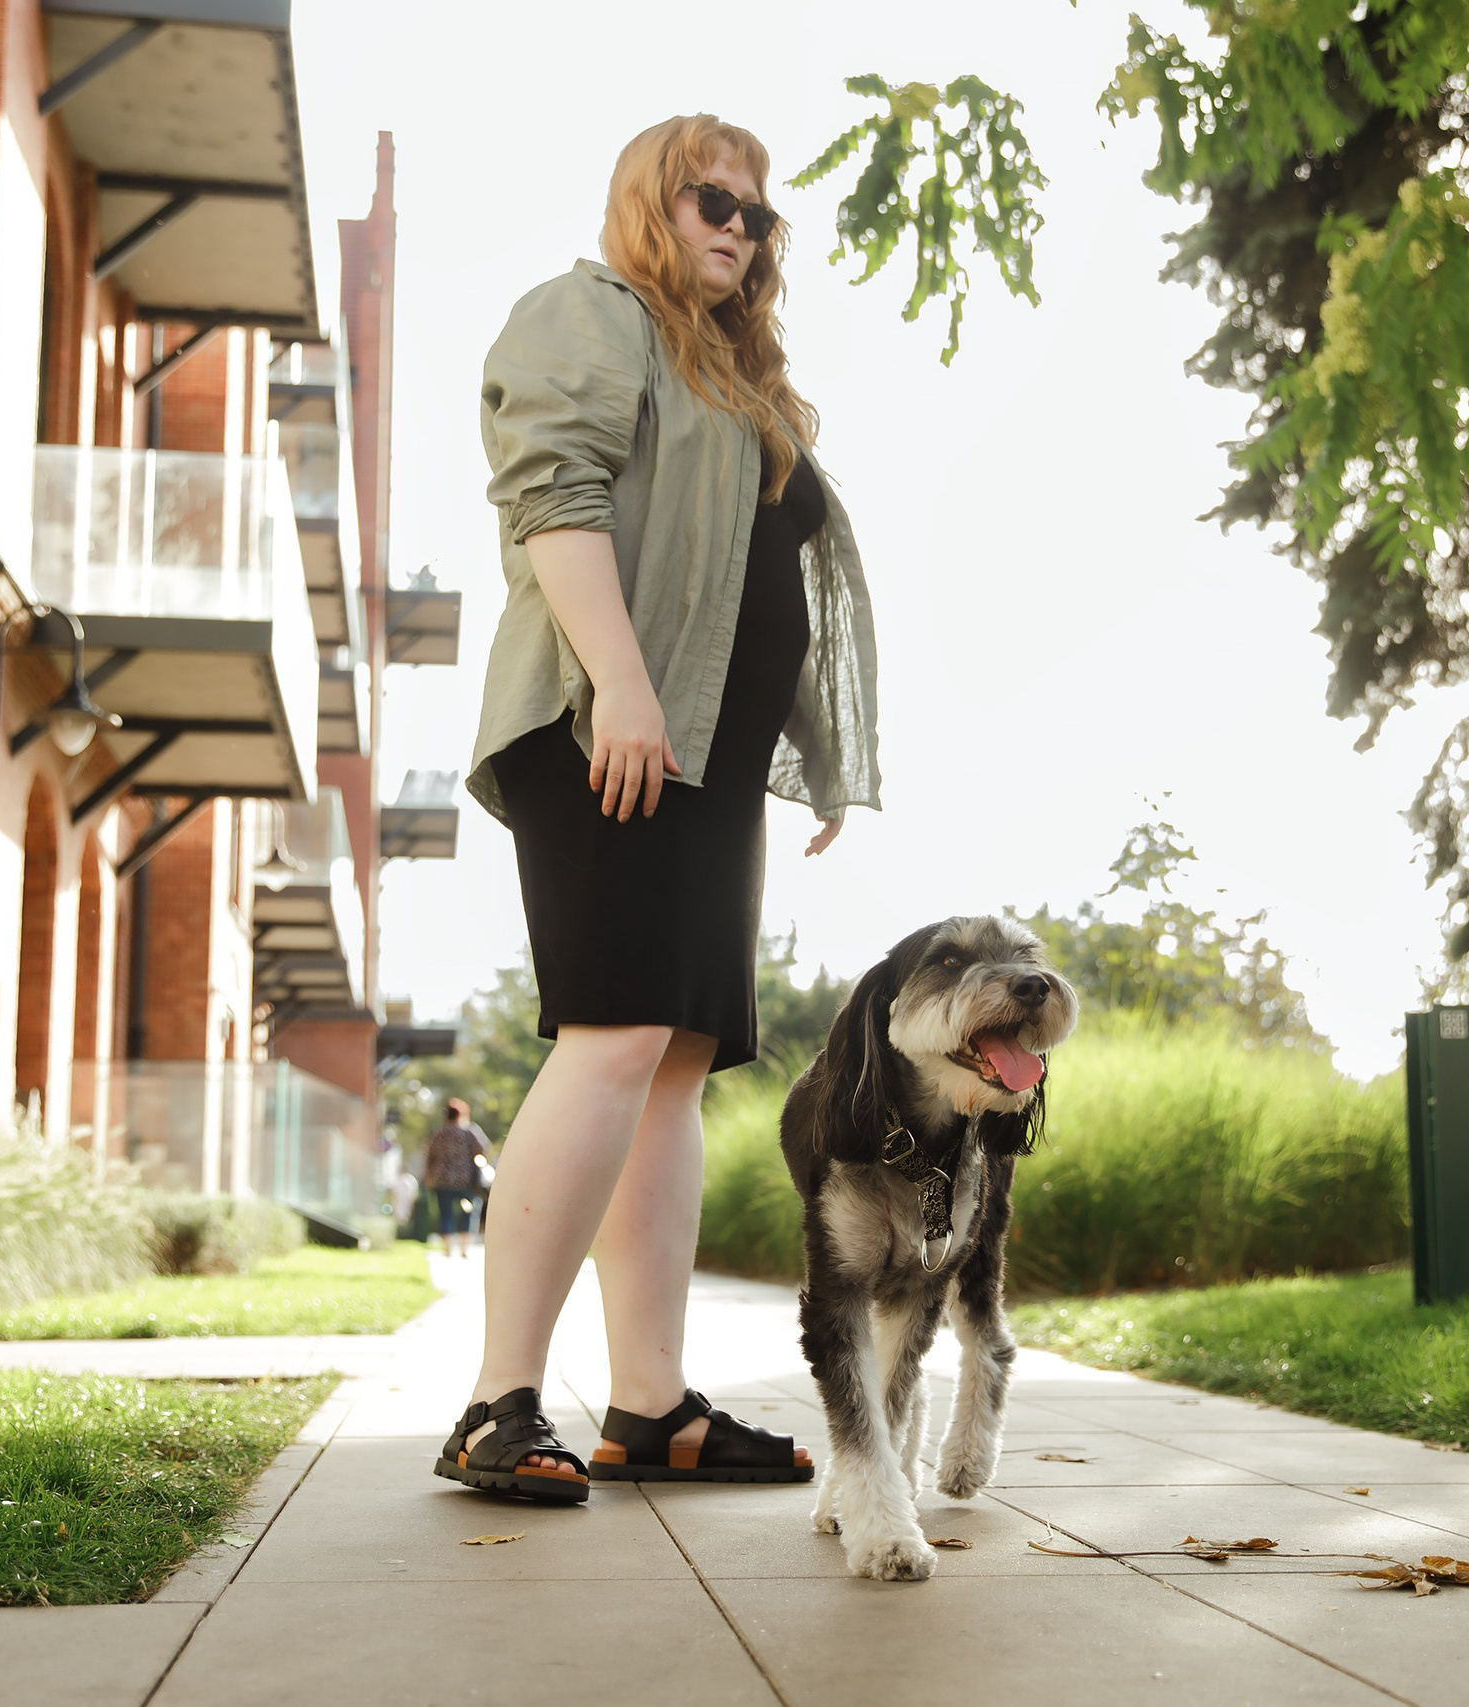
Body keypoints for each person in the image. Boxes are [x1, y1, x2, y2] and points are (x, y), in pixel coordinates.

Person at [438, 114, 879, 1505]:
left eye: (758, 216)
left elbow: (766, 580)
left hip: (709, 760)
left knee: (676, 1061)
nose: (738, 230)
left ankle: (650, 1402)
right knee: (616, 1034)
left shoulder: (740, 383)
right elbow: (550, 497)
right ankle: (495, 1400)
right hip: (609, 732)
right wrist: (618, 683)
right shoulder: (593, 316)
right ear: (651, 203)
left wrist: (807, 748)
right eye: (713, 201)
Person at [421, 1098, 495, 1259]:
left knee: (445, 1213)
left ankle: (448, 1249)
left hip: (442, 1180)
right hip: (466, 1180)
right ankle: (464, 1248)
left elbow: (429, 1155)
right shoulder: (470, 1132)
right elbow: (483, 1150)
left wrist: (429, 1176)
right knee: (468, 1212)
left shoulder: (438, 1133)